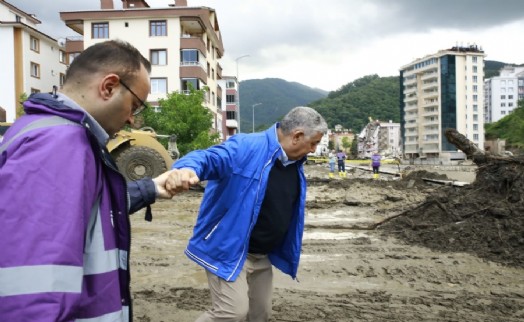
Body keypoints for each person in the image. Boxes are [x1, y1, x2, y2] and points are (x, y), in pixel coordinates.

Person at [0, 40, 180, 321]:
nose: (133, 119)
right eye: (135, 105)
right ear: (108, 87)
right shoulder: (58, 145)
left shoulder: (45, 131)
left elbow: (89, 208)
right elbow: (33, 292)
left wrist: (151, 188)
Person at [166, 106, 327, 321]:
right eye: (313, 143)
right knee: (231, 314)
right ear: (297, 136)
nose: (314, 149)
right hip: (231, 250)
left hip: (263, 255)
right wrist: (185, 169)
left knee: (260, 315)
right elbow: (209, 158)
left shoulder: (293, 163)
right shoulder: (246, 147)